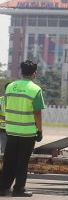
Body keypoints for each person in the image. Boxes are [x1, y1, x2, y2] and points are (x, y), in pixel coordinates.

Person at [0, 60, 45, 197]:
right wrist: (40, 131)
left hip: (11, 131)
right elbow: (37, 112)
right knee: (22, 162)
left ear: (21, 71)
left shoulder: (10, 87)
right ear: (34, 73)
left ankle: (3, 188)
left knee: (9, 161)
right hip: (27, 132)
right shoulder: (35, 89)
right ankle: (19, 189)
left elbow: (7, 106)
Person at [0, 83, 8, 154]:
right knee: (3, 150)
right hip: (3, 128)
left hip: (15, 129)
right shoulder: (0, 100)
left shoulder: (16, 101)